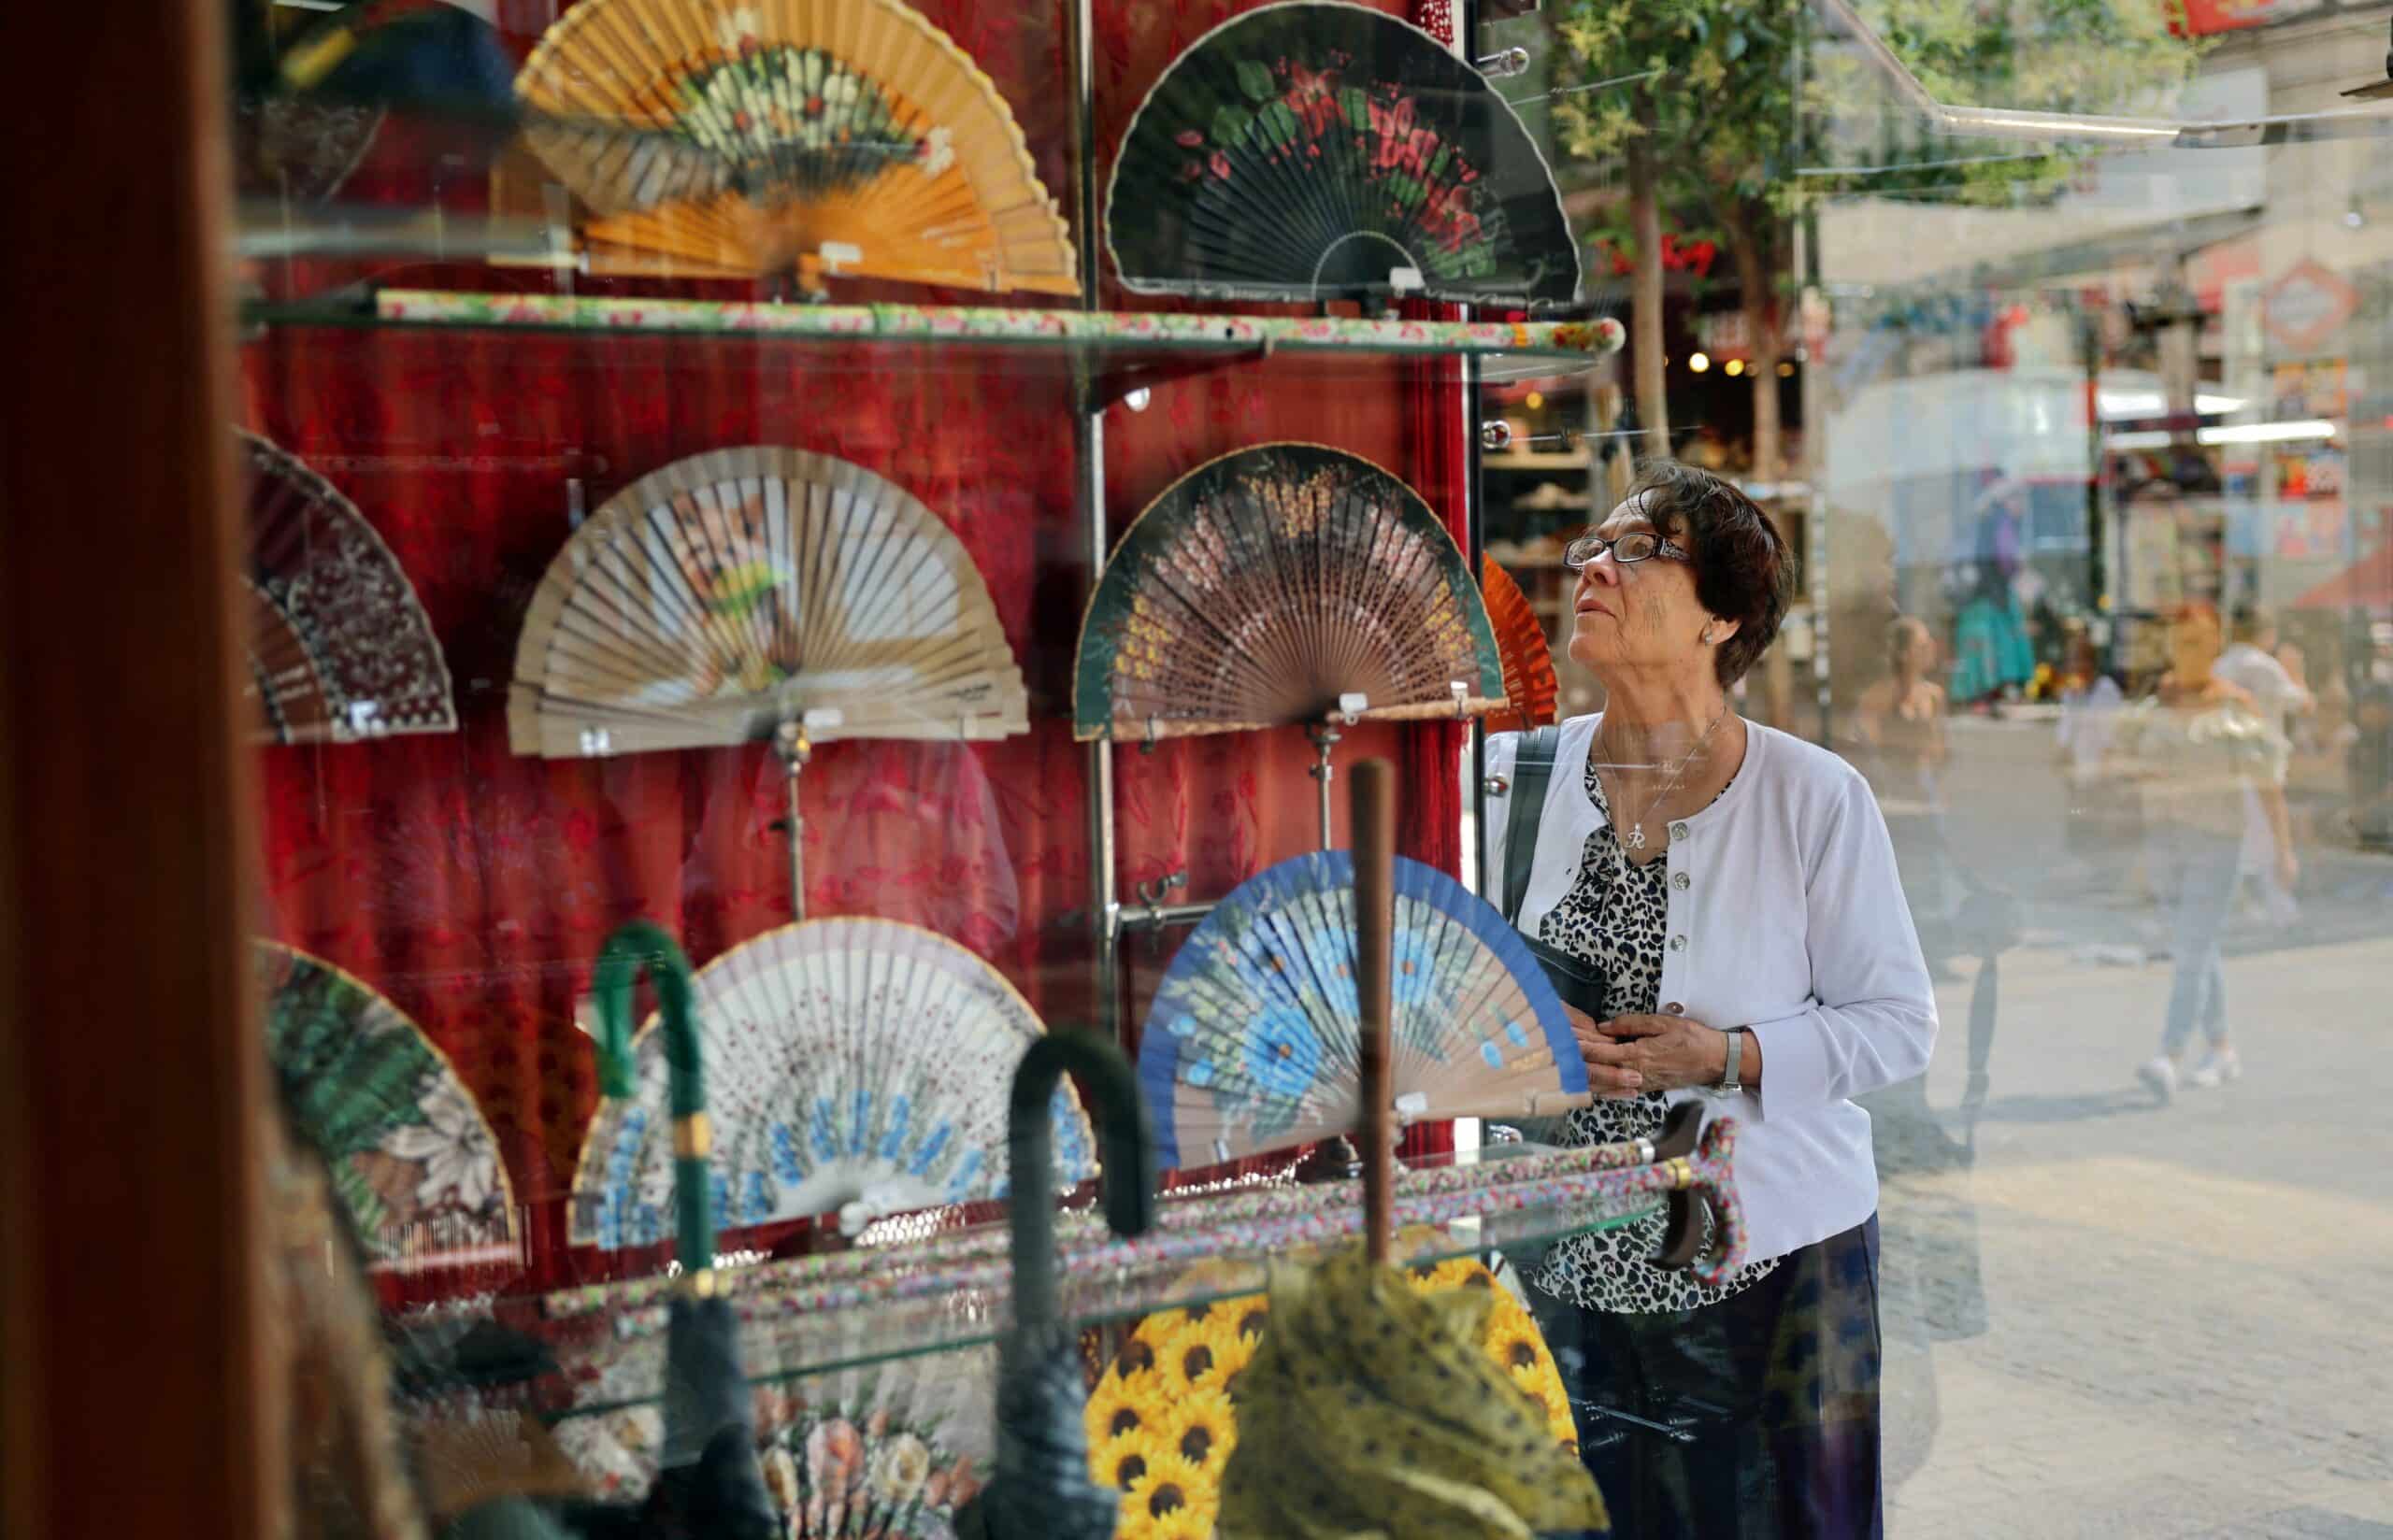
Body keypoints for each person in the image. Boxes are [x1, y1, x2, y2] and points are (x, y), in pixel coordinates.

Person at [1486, 463, 1938, 1539]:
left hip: (1774, 1266)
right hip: (1565, 1261)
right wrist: (1528, 1050)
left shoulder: (1811, 794)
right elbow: (1434, 990)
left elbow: (1896, 1022)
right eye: (1589, 546)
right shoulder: (1507, 777)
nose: (1594, 566)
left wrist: (1725, 1055)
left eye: (1638, 548)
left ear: (1723, 615)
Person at [2117, 605, 2295, 1101]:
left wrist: (2283, 850)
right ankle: (2221, 1046)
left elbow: (2268, 784)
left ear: (2216, 645)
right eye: (2179, 641)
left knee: (2191, 947)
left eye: (2197, 641)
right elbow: (2135, 776)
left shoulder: (2235, 705)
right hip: (2166, 843)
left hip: (2217, 843)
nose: (2186, 651)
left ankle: (2168, 1055)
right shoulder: (2156, 702)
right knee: (2198, 944)